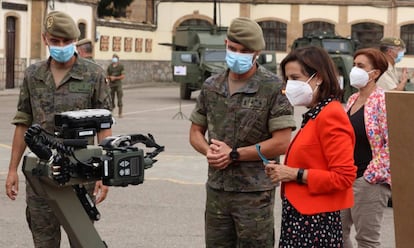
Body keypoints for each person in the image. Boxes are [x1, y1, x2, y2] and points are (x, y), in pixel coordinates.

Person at [4, 11, 112, 247]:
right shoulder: (33, 74)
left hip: (81, 173)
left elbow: (104, 127)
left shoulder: (93, 74)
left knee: (82, 240)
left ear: (75, 41)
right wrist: (12, 170)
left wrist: (106, 172)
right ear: (45, 39)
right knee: (43, 240)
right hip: (41, 174)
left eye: (66, 41)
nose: (60, 46)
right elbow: (23, 121)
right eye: (55, 41)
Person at [189, 17, 296, 247]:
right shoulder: (211, 85)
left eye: (245, 51)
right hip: (217, 189)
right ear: (226, 44)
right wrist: (209, 151)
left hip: (254, 193)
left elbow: (282, 142)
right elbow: (195, 131)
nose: (237, 55)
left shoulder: (273, 87)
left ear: (257, 52)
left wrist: (234, 154)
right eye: (233, 48)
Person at [265, 46, 357, 247]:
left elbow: (344, 176)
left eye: (295, 78)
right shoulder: (316, 114)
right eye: (287, 79)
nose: (290, 85)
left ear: (319, 77)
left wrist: (294, 174)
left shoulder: (331, 115)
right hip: (302, 216)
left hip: (315, 222)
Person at [340, 48, 391, 248]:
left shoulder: (383, 101)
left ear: (375, 73)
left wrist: (371, 175)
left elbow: (392, 143)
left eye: (360, 66)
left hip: (368, 181)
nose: (354, 70)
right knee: (337, 233)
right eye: (354, 65)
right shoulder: (352, 99)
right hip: (345, 177)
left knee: (366, 240)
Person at [107, 54, 125, 118]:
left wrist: (115, 78)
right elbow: (107, 75)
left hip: (118, 84)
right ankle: (111, 112)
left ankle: (120, 113)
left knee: (119, 98)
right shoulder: (110, 66)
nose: (114, 59)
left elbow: (123, 76)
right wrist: (110, 77)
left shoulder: (121, 66)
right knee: (111, 99)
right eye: (113, 58)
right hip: (111, 85)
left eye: (115, 58)